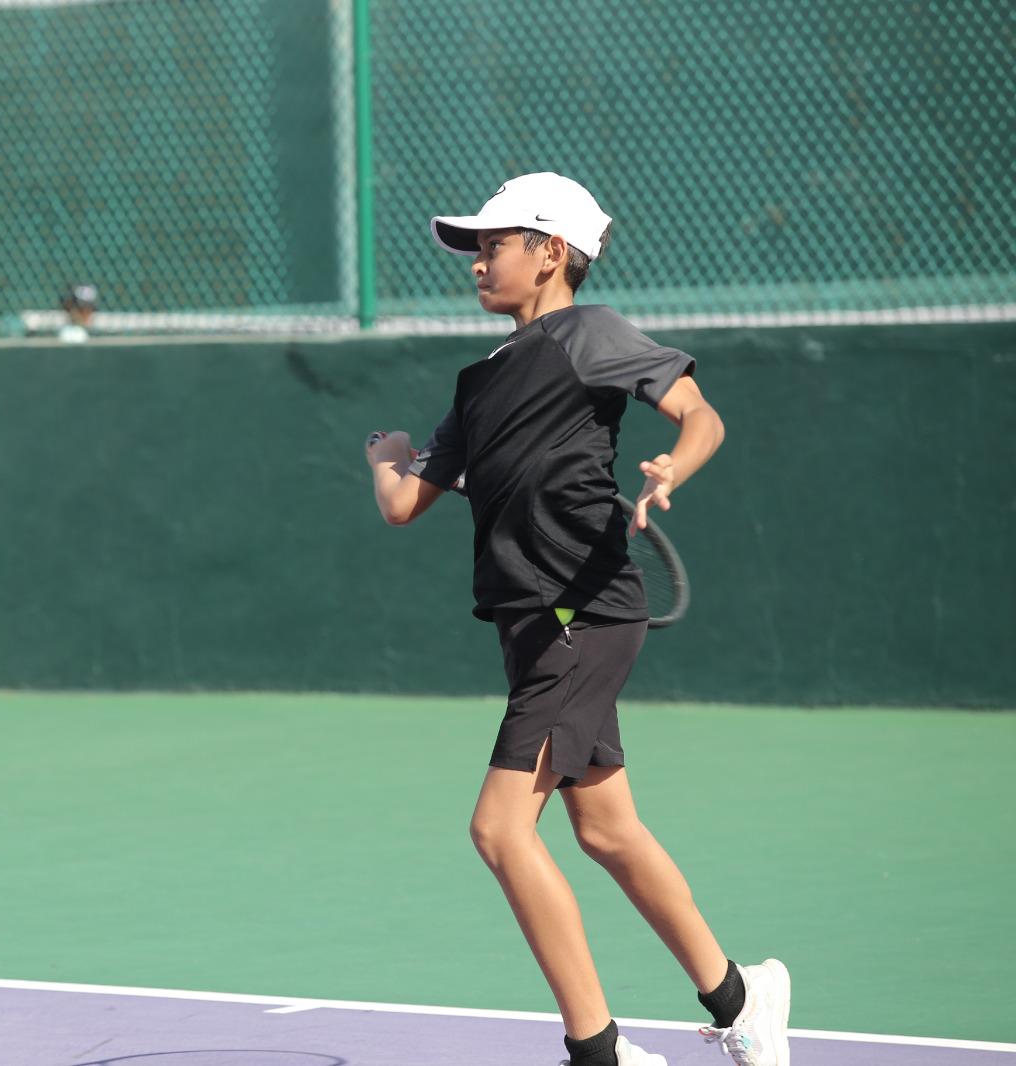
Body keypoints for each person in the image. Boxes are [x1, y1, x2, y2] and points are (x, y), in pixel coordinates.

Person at [363, 172, 790, 1066]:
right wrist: (389, 457)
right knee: (605, 828)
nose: (478, 262)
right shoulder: (478, 384)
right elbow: (404, 507)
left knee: (499, 829)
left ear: (551, 253)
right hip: (528, 623)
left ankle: (598, 1053)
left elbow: (697, 413)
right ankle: (744, 1000)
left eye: (496, 244)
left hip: (581, 613)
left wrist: (674, 463)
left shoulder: (588, 337)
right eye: (476, 248)